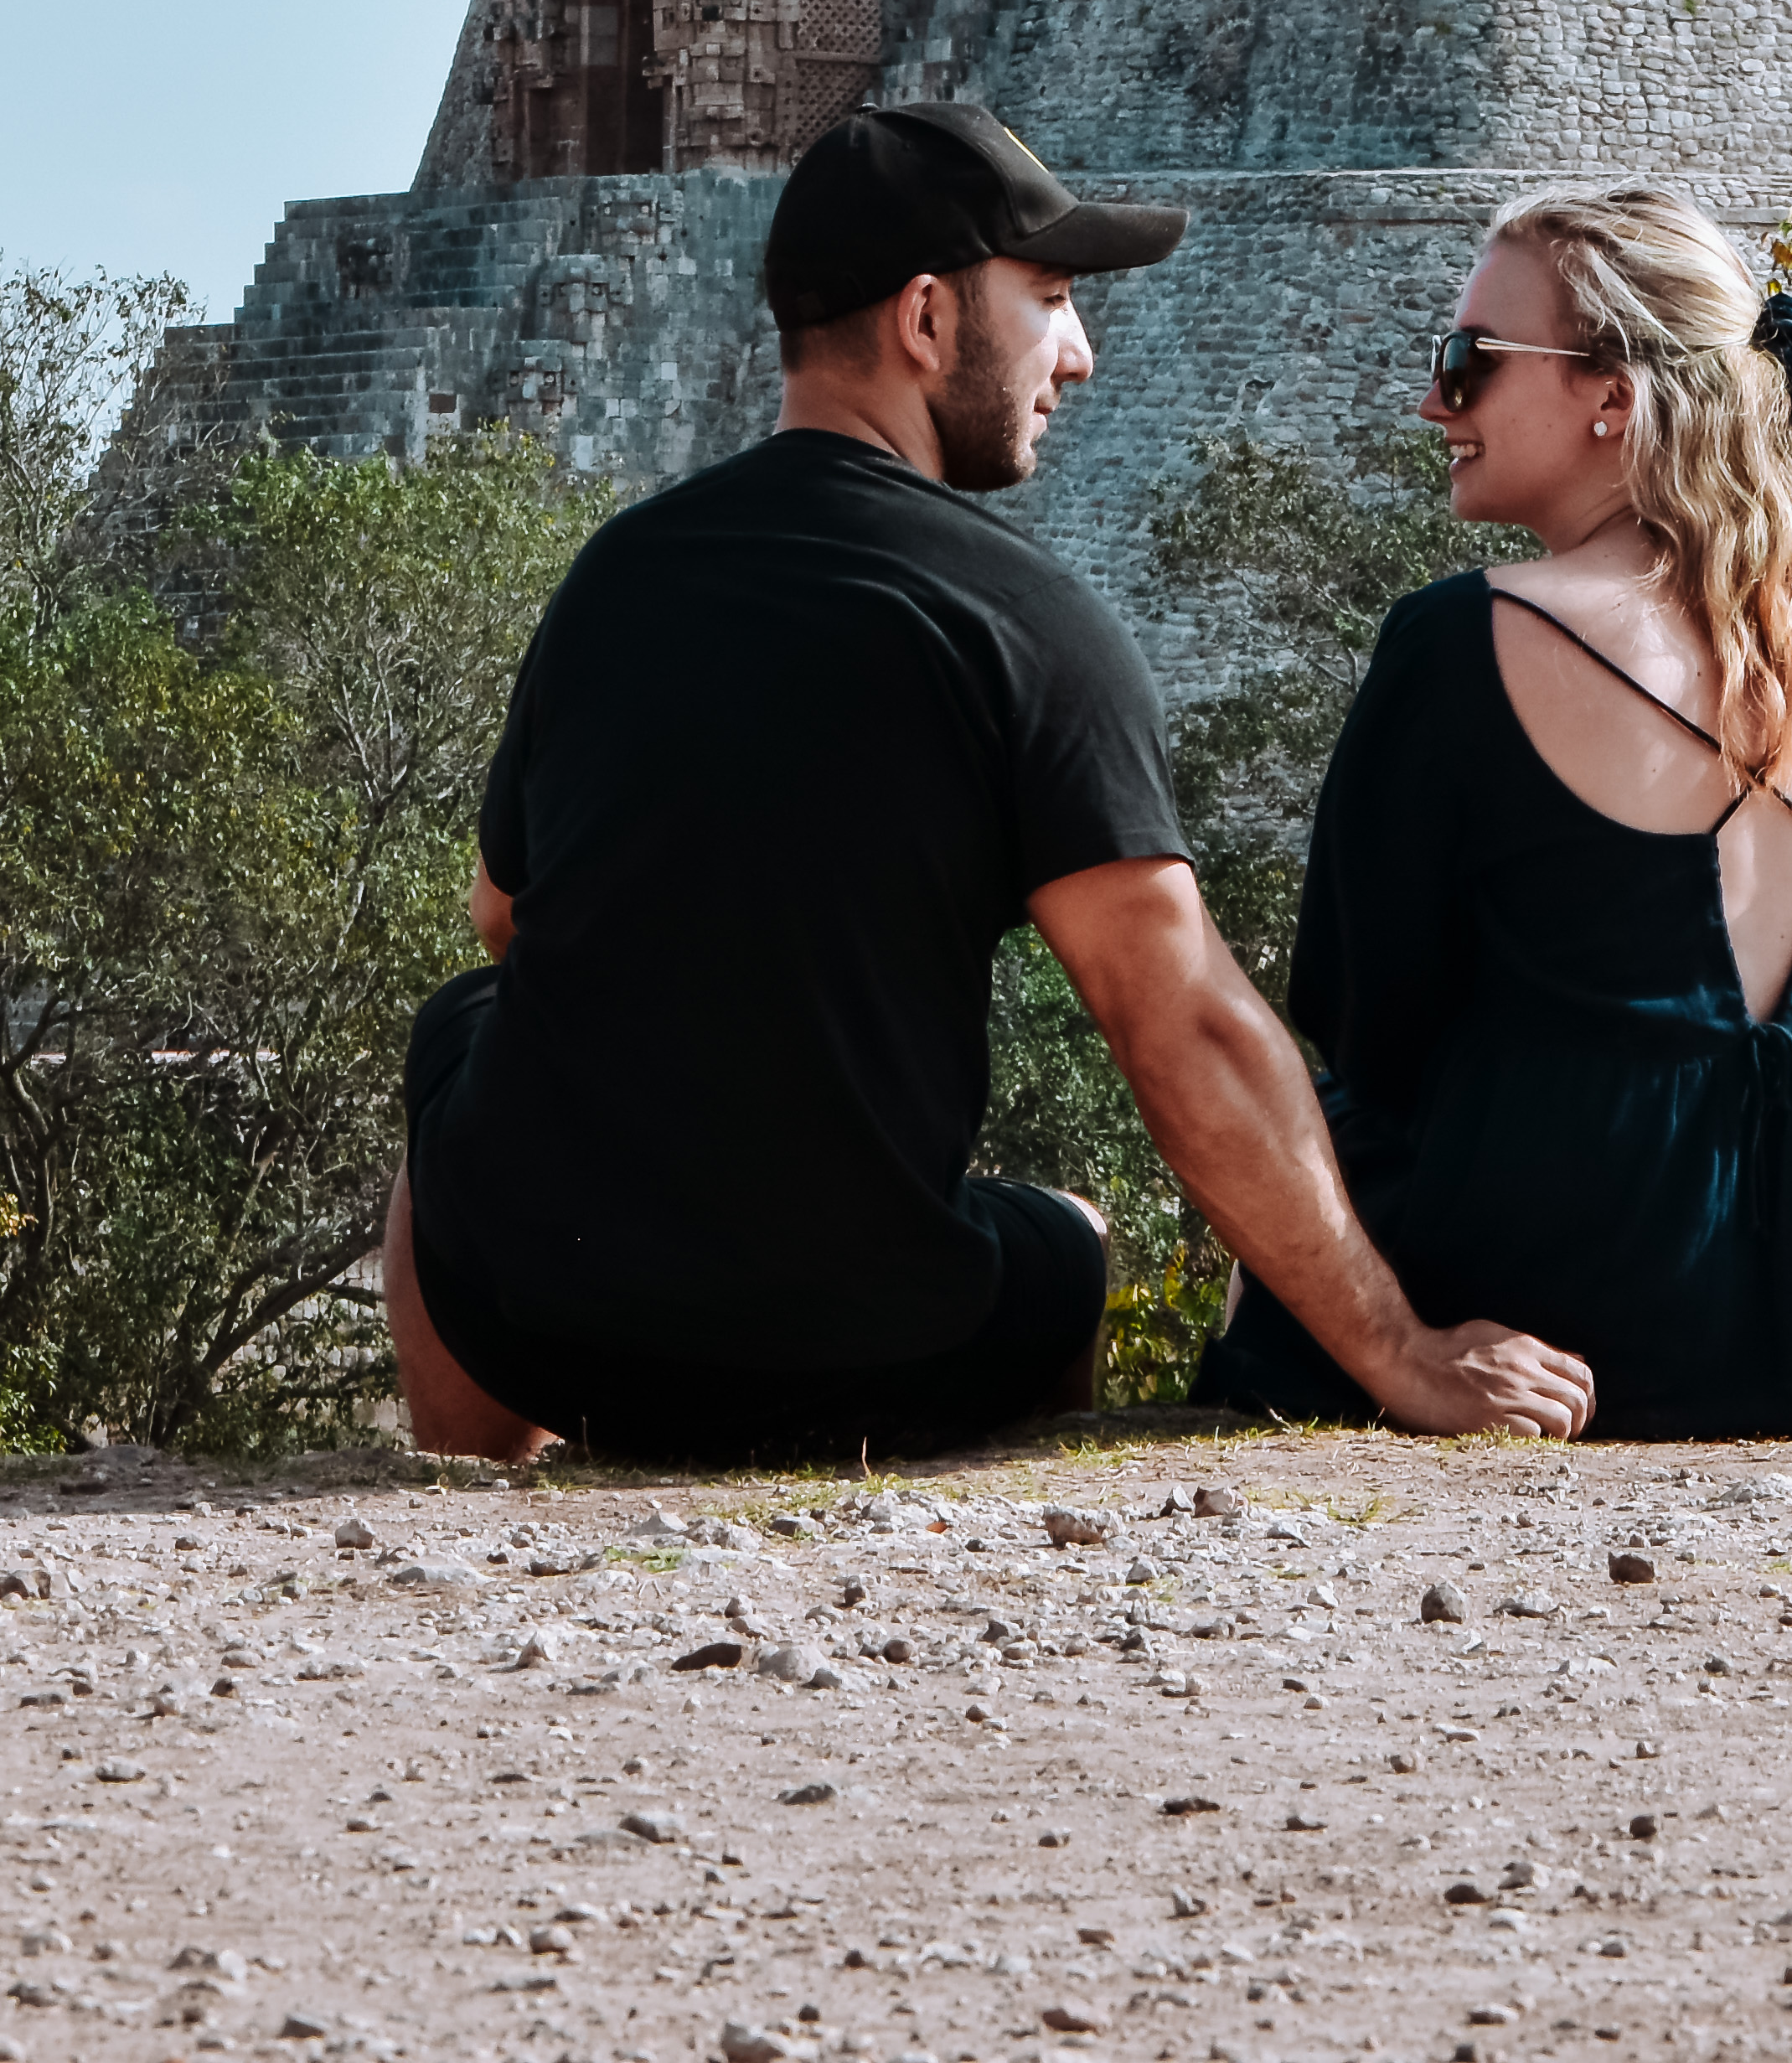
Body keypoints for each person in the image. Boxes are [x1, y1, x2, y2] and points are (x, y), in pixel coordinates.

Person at [387, 101, 1600, 1466]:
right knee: (1066, 1239)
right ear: (924, 320)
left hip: (544, 1325)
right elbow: (1178, 1025)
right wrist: (1402, 1353)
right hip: (855, 1357)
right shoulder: (1025, 626)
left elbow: (508, 918)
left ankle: (477, 1461)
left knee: (466, 1027)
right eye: (1053, 300)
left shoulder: (618, 575)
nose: (1076, 357)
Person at [1191, 185, 1792, 1440]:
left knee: (1300, 1147)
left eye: (1471, 362)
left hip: (1572, 1297)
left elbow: (1361, 1019)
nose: (1435, 401)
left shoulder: (1463, 645)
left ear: (1613, 392)